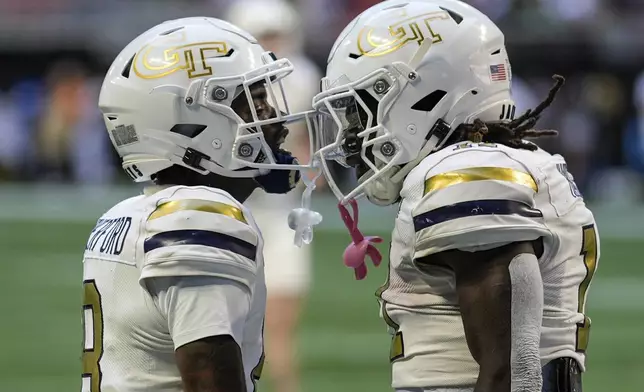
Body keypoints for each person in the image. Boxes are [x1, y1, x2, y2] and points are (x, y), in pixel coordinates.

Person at [310, 1, 600, 391]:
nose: (352, 136)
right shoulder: (511, 161)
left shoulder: (466, 173)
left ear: (424, 92)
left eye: (363, 109)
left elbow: (513, 371)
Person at [82, 17, 312, 392]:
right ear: (193, 122)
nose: (275, 116)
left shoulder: (124, 216)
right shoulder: (198, 219)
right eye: (254, 101)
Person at [226, 2, 321, 392]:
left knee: (280, 326)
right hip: (235, 211)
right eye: (264, 35)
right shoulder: (222, 84)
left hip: (283, 214)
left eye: (275, 35)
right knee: (222, 326)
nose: (271, 45)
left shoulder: (301, 77)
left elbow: (307, 150)